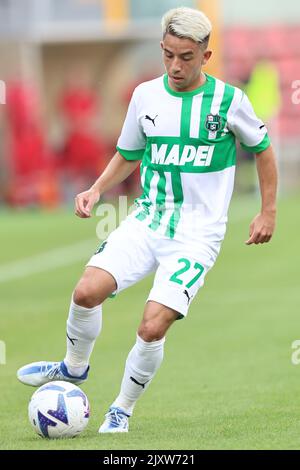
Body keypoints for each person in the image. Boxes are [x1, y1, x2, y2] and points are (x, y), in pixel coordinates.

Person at [17, 7, 277, 433]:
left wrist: (268, 211)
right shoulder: (145, 96)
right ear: (162, 49)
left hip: (197, 237)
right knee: (86, 292)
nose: (176, 65)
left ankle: (121, 407)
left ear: (205, 56)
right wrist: (97, 189)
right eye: (169, 55)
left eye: (186, 57)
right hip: (147, 221)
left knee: (153, 323)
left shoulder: (230, 101)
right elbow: (129, 153)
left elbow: (264, 149)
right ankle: (74, 366)